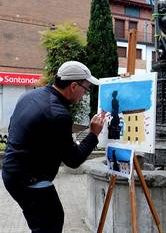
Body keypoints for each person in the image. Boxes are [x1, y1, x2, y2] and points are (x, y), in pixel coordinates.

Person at [2, 61, 105, 233]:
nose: (85, 93)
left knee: (46, 221)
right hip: (28, 180)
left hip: (12, 172)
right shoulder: (58, 113)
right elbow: (73, 160)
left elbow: (16, 129)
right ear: (73, 86)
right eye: (86, 88)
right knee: (50, 223)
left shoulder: (31, 96)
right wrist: (93, 134)